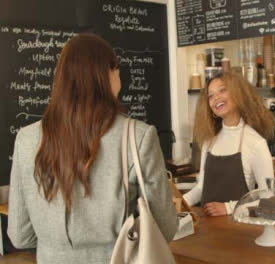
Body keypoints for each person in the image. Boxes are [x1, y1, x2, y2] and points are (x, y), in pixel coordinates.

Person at [7, 33, 178, 264]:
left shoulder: (26, 139)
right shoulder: (138, 136)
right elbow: (165, 227)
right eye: (117, 69)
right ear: (106, 74)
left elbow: (20, 234)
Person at [184, 72, 275, 217]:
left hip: (239, 232)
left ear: (237, 94)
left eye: (222, 90)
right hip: (208, 231)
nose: (216, 98)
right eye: (211, 96)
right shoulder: (209, 141)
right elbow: (201, 188)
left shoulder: (255, 143)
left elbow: (268, 198)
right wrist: (179, 202)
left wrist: (229, 208)